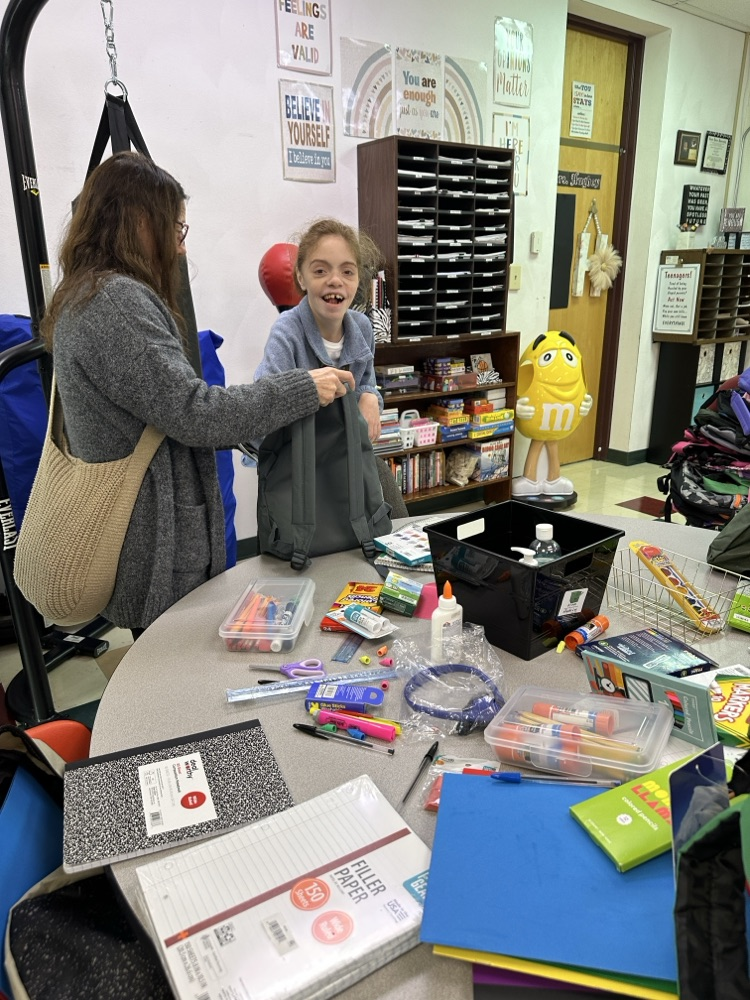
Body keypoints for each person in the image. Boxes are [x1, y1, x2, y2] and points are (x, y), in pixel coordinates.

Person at [40, 151, 354, 636]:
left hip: (155, 531)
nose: (180, 249)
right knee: (173, 663)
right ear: (139, 221)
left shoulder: (91, 295)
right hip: (154, 542)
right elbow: (195, 412)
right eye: (176, 230)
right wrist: (302, 388)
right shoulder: (114, 303)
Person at [254, 218, 383, 442]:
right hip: (295, 463)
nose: (335, 280)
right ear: (301, 277)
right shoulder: (286, 332)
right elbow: (261, 409)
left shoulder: (362, 327)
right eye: (321, 271)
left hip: (343, 458)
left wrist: (370, 396)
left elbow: (365, 383)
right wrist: (306, 391)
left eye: (347, 272)